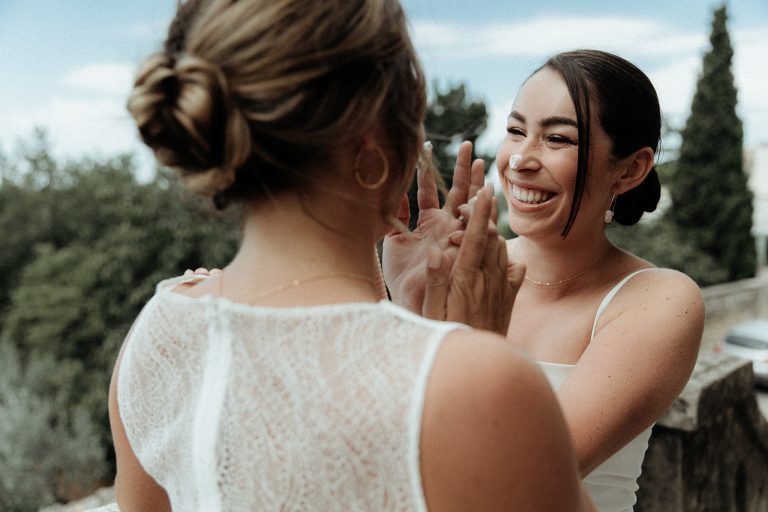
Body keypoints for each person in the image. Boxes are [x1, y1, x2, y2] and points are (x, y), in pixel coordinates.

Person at [106, 1, 595, 511]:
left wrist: (407, 315)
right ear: (374, 140)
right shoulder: (480, 378)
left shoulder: (158, 336)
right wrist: (476, 347)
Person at [384, 50, 705, 511]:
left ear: (631, 168)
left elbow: (521, 485)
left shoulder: (660, 301)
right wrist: (410, 304)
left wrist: (470, 337)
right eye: (516, 131)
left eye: (556, 138)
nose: (519, 161)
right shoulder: (460, 272)